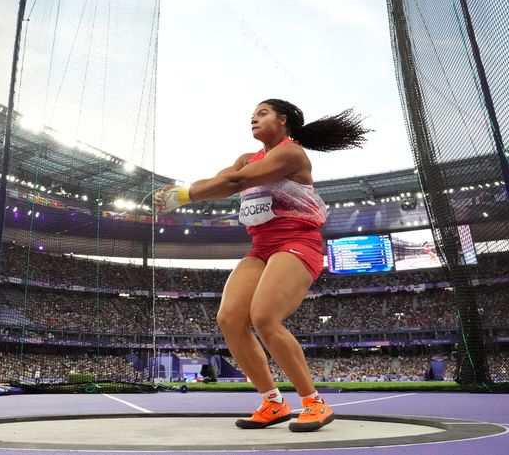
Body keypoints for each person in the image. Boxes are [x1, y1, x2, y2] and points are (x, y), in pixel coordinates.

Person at [154, 100, 368, 432]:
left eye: (263, 112)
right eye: (252, 114)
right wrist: (179, 190)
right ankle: (273, 403)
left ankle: (315, 403)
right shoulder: (245, 159)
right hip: (262, 247)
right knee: (229, 318)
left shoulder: (291, 154)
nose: (254, 117)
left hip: (298, 242)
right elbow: (223, 180)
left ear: (283, 121)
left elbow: (236, 183)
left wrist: (184, 196)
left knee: (265, 317)